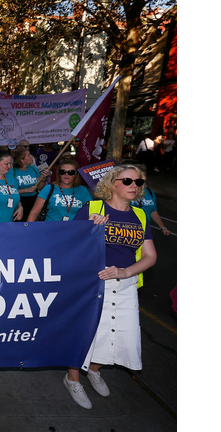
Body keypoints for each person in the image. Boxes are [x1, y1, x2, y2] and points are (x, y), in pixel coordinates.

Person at [65, 164, 157, 410]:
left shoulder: (140, 215)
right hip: (93, 283)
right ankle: (72, 378)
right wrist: (88, 229)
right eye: (128, 181)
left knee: (118, 333)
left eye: (138, 182)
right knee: (86, 333)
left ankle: (94, 369)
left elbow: (149, 256)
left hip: (126, 285)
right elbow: (66, 244)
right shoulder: (92, 209)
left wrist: (126, 271)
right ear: (112, 183)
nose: (134, 186)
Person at [26, 159, 92, 222]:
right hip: (51, 230)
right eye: (62, 172)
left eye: (71, 172)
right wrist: (27, 230)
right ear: (58, 174)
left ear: (76, 174)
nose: (66, 174)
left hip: (75, 230)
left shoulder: (83, 190)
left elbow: (92, 212)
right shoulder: (48, 188)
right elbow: (34, 213)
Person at [12, 147, 47, 221]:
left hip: (34, 200)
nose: (32, 156)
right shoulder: (12, 172)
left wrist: (43, 179)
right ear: (22, 160)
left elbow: (39, 187)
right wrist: (27, 190)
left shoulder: (34, 169)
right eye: (28, 155)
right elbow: (11, 191)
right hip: (20, 201)